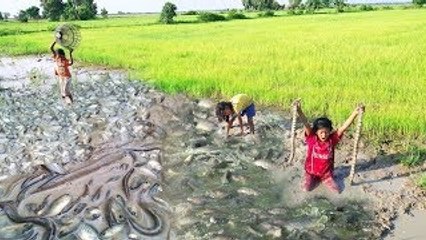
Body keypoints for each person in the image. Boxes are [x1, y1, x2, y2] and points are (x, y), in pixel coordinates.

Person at [294, 100, 364, 193]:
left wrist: (355, 113)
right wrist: (298, 110)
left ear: (330, 131)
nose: (324, 135)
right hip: (311, 172)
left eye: (326, 132)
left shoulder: (332, 140)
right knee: (306, 189)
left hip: (326, 174)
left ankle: (323, 180)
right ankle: (310, 179)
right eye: (321, 132)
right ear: (316, 132)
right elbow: (306, 124)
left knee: (337, 191)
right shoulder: (312, 139)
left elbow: (343, 127)